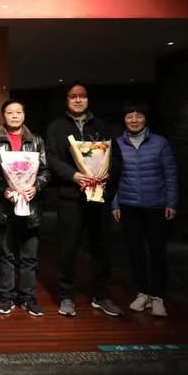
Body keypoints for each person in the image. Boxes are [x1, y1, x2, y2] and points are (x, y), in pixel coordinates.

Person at [45, 82, 123, 317]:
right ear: (66, 101)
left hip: (99, 196)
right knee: (68, 248)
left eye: (82, 96)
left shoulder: (102, 126)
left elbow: (116, 157)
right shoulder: (56, 127)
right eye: (73, 96)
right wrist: (73, 175)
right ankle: (66, 296)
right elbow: (51, 158)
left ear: (88, 99)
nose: (78, 100)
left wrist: (107, 175)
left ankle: (101, 295)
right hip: (70, 197)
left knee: (102, 248)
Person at [0, 99, 50, 316]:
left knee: (29, 255)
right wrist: (4, 188)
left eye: (18, 112)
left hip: (30, 205)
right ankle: (7, 296)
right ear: (3, 115)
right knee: (5, 253)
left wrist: (35, 188)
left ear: (24, 115)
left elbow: (45, 171)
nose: (14, 116)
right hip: (4, 205)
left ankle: (29, 298)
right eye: (10, 112)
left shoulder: (37, 140)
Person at [112, 100, 178, 317]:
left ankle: (158, 297)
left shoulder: (160, 143)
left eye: (138, 115)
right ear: (124, 119)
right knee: (135, 252)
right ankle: (142, 293)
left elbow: (170, 174)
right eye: (129, 116)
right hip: (129, 205)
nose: (134, 120)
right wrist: (115, 203)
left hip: (156, 205)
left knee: (158, 251)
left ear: (146, 118)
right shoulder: (117, 144)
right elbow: (113, 177)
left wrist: (171, 203)